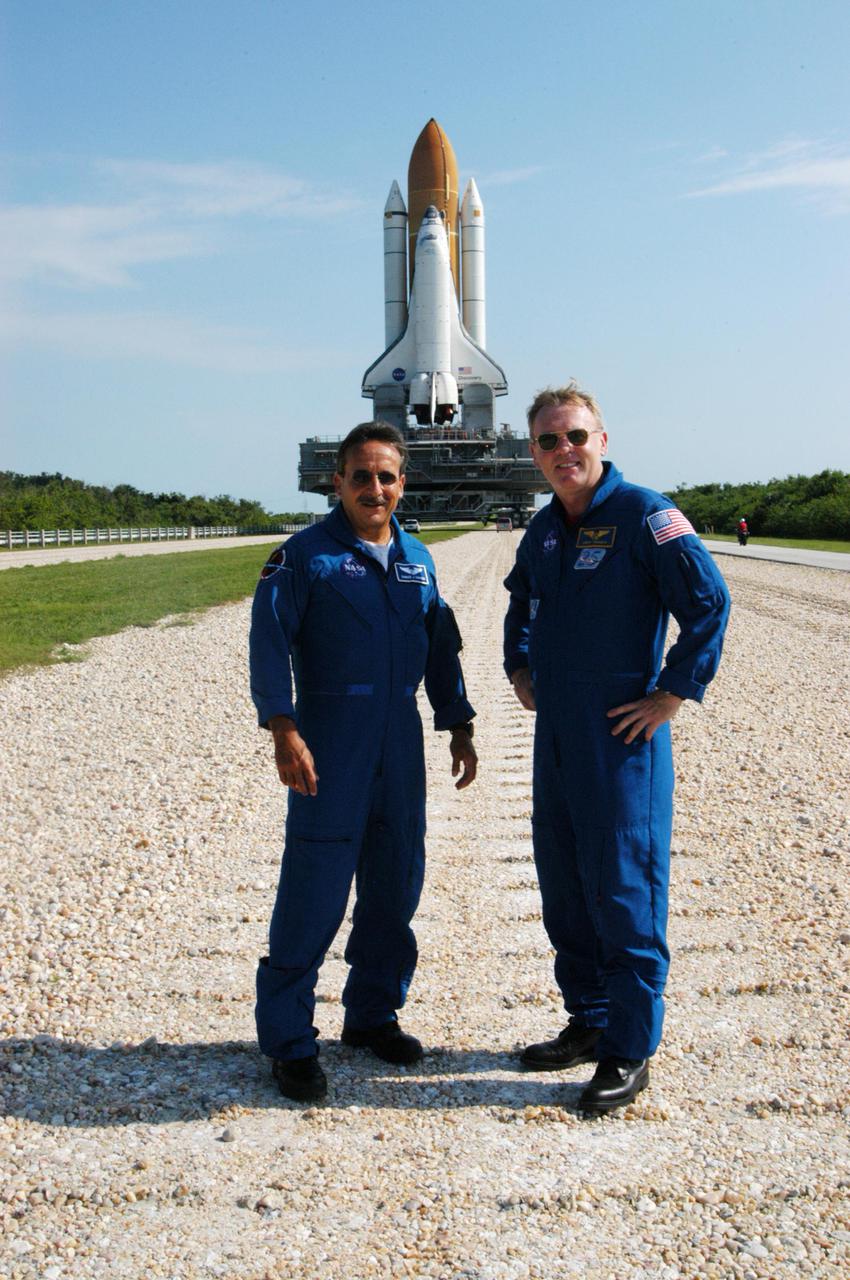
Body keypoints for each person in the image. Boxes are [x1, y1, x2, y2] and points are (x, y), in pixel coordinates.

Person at [503, 383, 730, 1114]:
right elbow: (520, 601)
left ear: (602, 438)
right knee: (565, 883)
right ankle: (591, 1019)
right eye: (548, 441)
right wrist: (520, 665)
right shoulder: (542, 531)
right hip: (558, 736)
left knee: (626, 887)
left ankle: (631, 1047)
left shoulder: (645, 515)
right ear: (534, 452)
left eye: (575, 436)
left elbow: (708, 603)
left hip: (621, 739)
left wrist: (672, 692)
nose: (563, 451)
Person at [250, 421, 477, 1102]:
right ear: (338, 482)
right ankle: (289, 1041)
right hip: (331, 735)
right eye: (360, 476)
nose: (373, 488)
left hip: (399, 737)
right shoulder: (304, 558)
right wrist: (282, 727)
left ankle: (372, 1013)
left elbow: (441, 646)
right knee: (315, 885)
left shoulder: (418, 560)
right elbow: (268, 643)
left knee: (395, 880)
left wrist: (458, 721)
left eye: (386, 476)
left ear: (403, 483)